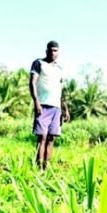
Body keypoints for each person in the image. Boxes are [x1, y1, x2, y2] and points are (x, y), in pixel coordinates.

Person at [29, 40, 70, 169]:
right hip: (43, 105)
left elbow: (61, 90)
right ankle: (38, 167)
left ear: (58, 52)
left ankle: (47, 168)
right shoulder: (38, 63)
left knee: (51, 138)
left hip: (56, 108)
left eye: (55, 50)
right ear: (46, 51)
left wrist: (65, 109)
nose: (53, 53)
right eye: (51, 50)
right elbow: (32, 83)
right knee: (42, 137)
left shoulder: (59, 69)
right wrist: (36, 102)